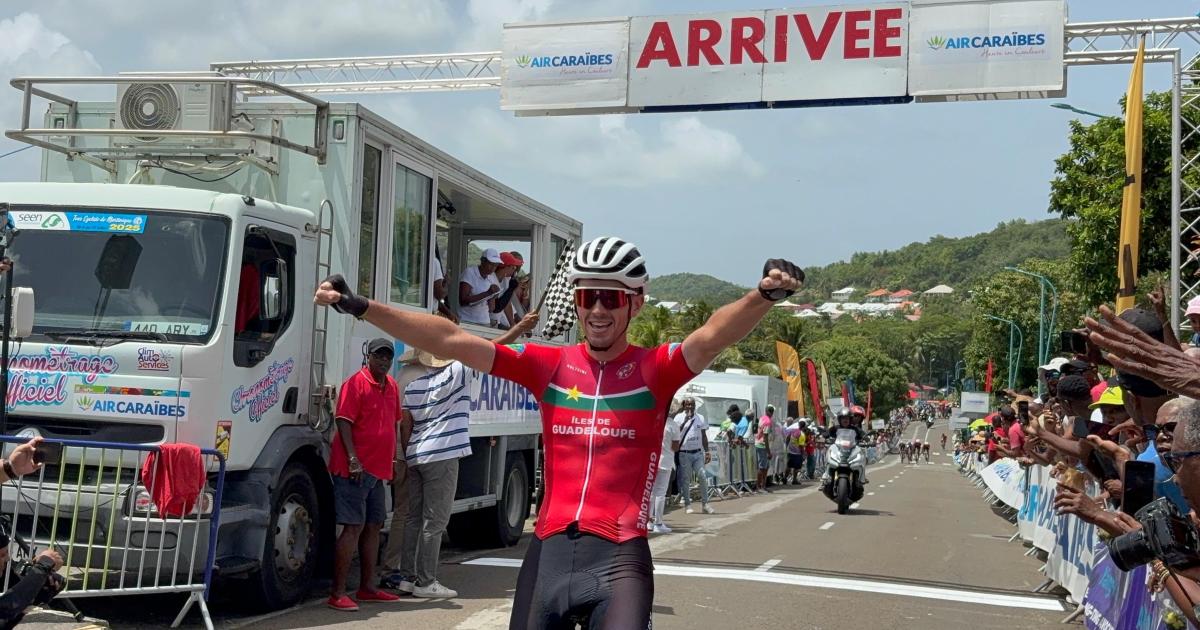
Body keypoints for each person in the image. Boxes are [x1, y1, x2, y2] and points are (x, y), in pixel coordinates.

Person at [313, 237, 803, 629]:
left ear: (636, 304)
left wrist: (762, 296)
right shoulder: (551, 366)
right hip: (547, 551)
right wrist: (361, 306)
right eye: (588, 297)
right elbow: (451, 339)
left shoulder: (656, 370)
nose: (597, 310)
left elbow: (713, 333)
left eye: (610, 298)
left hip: (618, 557)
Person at [327, 338, 405, 611]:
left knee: (374, 525)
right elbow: (343, 421)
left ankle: (367, 587)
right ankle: (337, 593)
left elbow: (394, 424)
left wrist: (394, 459)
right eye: (378, 356)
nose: (383, 361)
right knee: (352, 527)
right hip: (355, 470)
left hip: (378, 468)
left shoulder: (392, 386)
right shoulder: (355, 383)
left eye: (387, 357)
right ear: (368, 357)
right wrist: (353, 459)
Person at [674, 398, 714, 513]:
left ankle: (705, 504)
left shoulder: (700, 418)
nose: (690, 407)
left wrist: (707, 451)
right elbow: (675, 433)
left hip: (697, 453)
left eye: (692, 405)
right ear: (684, 406)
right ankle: (687, 504)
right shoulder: (679, 417)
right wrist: (685, 421)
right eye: (687, 405)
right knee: (686, 479)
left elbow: (704, 435)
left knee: (702, 475)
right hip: (684, 453)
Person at [650, 404, 682, 534]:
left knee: (651, 492)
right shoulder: (673, 425)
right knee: (660, 493)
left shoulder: (655, 420)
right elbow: (675, 447)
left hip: (653, 459)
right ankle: (658, 522)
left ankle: (648, 521)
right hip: (666, 461)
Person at [458, 248, 502, 325]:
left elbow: (491, 308)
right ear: (482, 261)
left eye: (495, 265)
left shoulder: (492, 276)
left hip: (484, 320)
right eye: (491, 264)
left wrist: (494, 296)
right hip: (466, 320)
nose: (493, 268)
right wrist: (488, 293)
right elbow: (463, 301)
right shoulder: (470, 272)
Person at [753, 405, 775, 493]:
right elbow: (765, 437)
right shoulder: (767, 422)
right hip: (762, 445)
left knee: (765, 467)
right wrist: (768, 451)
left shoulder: (762, 418)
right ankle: (759, 487)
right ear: (771, 412)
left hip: (759, 444)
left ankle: (763, 486)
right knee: (762, 467)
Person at [785, 420, 807, 485]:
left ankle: (784, 478)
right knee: (796, 468)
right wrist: (803, 454)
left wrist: (787, 446)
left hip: (790, 451)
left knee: (788, 466)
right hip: (797, 453)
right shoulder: (802, 434)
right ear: (804, 427)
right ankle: (794, 480)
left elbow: (787, 438)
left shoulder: (792, 431)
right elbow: (801, 446)